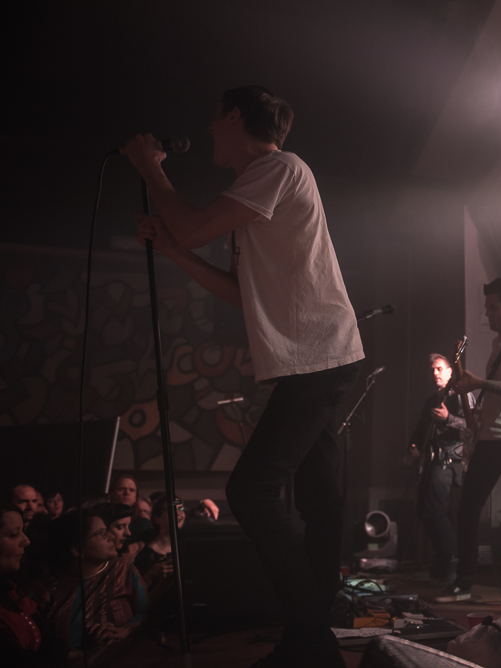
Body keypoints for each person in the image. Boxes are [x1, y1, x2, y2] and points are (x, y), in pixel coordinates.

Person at [123, 85, 364, 667]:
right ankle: (309, 643)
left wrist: (152, 168)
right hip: (318, 358)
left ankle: (311, 636)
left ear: (235, 117)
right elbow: (239, 293)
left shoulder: (278, 167)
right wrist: (174, 253)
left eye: (215, 119)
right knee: (319, 500)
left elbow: (192, 223)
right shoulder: (258, 190)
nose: (208, 130)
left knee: (251, 491)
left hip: (319, 357)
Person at [438, 278, 501, 602]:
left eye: (493, 308)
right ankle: (464, 584)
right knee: (467, 510)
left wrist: (478, 382)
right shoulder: (497, 345)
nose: (488, 315)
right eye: (487, 308)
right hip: (490, 437)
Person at [31, 510, 147, 657]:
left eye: (107, 531)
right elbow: (37, 647)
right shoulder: (44, 591)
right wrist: (82, 653)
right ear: (77, 549)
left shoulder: (123, 571)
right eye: (101, 533)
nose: (111, 537)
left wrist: (126, 630)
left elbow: (146, 612)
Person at [408, 354, 474, 584]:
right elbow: (420, 429)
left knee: (433, 509)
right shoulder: (431, 401)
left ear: (449, 372)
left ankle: (451, 558)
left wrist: (449, 419)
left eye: (439, 369)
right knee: (424, 510)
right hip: (434, 460)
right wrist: (414, 447)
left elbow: (474, 425)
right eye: (432, 370)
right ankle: (442, 563)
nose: (435, 373)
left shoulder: (462, 397)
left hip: (452, 461)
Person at [0, 501, 68, 667]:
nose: (26, 541)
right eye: (14, 535)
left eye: (23, 531)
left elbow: (54, 644)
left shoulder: (11, 591)